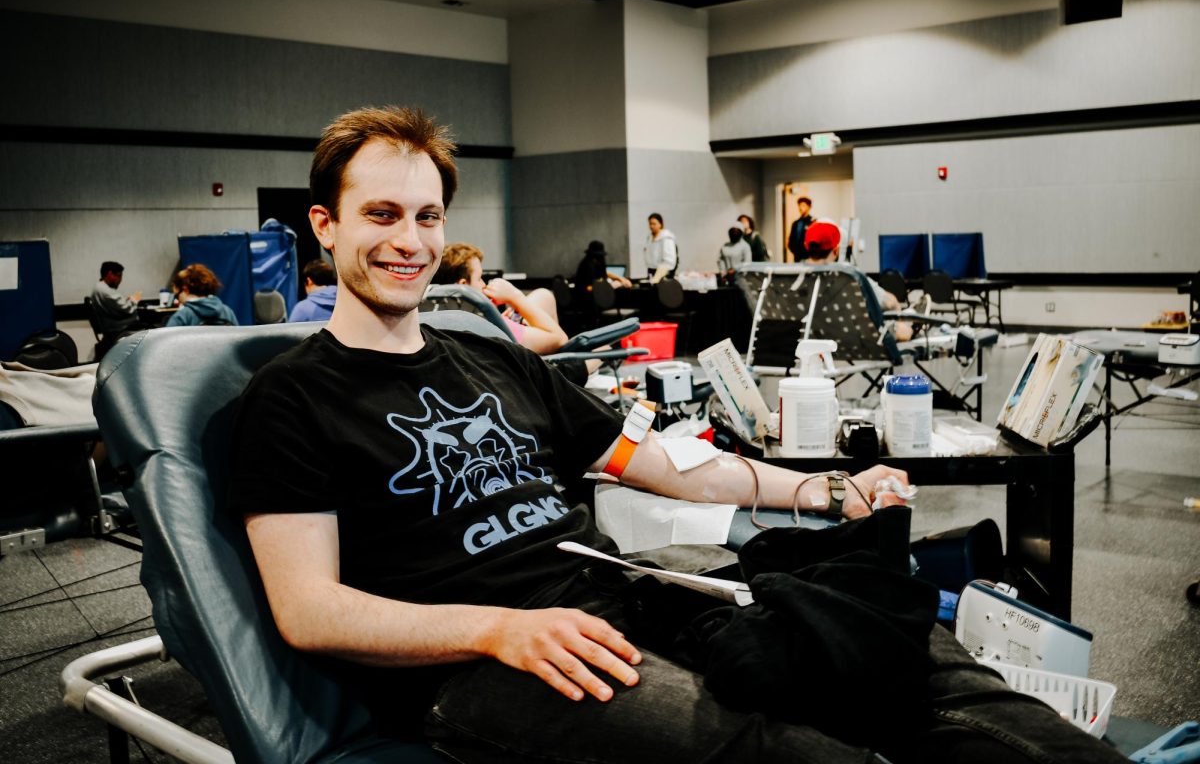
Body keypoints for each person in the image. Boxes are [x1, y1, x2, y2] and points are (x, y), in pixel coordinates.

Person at [229, 105, 1123, 764]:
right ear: (325, 225)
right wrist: (498, 629)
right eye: (381, 215)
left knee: (895, 649)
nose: (410, 241)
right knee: (787, 754)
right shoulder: (291, 398)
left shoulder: (496, 361)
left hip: (632, 596)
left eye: (427, 218)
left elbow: (669, 467)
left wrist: (817, 490)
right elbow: (309, 611)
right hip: (484, 662)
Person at [433, 242, 568, 354]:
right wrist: (515, 297)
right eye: (479, 279)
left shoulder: (434, 320)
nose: (483, 285)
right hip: (534, 373)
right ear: (463, 285)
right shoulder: (491, 325)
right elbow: (560, 339)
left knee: (542, 296)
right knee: (544, 295)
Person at [802, 221, 913, 342]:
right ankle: (912, 317)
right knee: (904, 328)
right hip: (856, 337)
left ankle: (911, 315)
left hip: (814, 337)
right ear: (835, 251)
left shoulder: (794, 277)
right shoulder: (847, 275)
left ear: (806, 246)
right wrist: (898, 309)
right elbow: (889, 303)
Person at [165, 264, 239, 327]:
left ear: (185, 289)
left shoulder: (181, 317)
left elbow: (167, 342)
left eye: (177, 295)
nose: (178, 299)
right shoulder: (228, 312)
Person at [89, 261, 143, 334]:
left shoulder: (99, 287)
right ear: (110, 274)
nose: (120, 280)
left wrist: (127, 300)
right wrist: (135, 299)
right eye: (119, 276)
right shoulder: (104, 290)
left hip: (114, 326)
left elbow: (116, 305)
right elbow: (126, 309)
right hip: (119, 328)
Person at [643, 212, 677, 284]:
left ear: (660, 224)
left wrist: (658, 276)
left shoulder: (666, 238)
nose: (651, 226)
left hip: (663, 272)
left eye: (654, 224)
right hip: (651, 270)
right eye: (650, 224)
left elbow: (669, 260)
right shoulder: (649, 238)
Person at [787, 196, 814, 262]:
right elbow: (791, 241)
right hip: (797, 258)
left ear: (809, 207)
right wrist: (796, 252)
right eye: (799, 205)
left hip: (809, 258)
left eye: (803, 205)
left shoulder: (813, 222)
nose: (800, 208)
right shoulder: (796, 223)